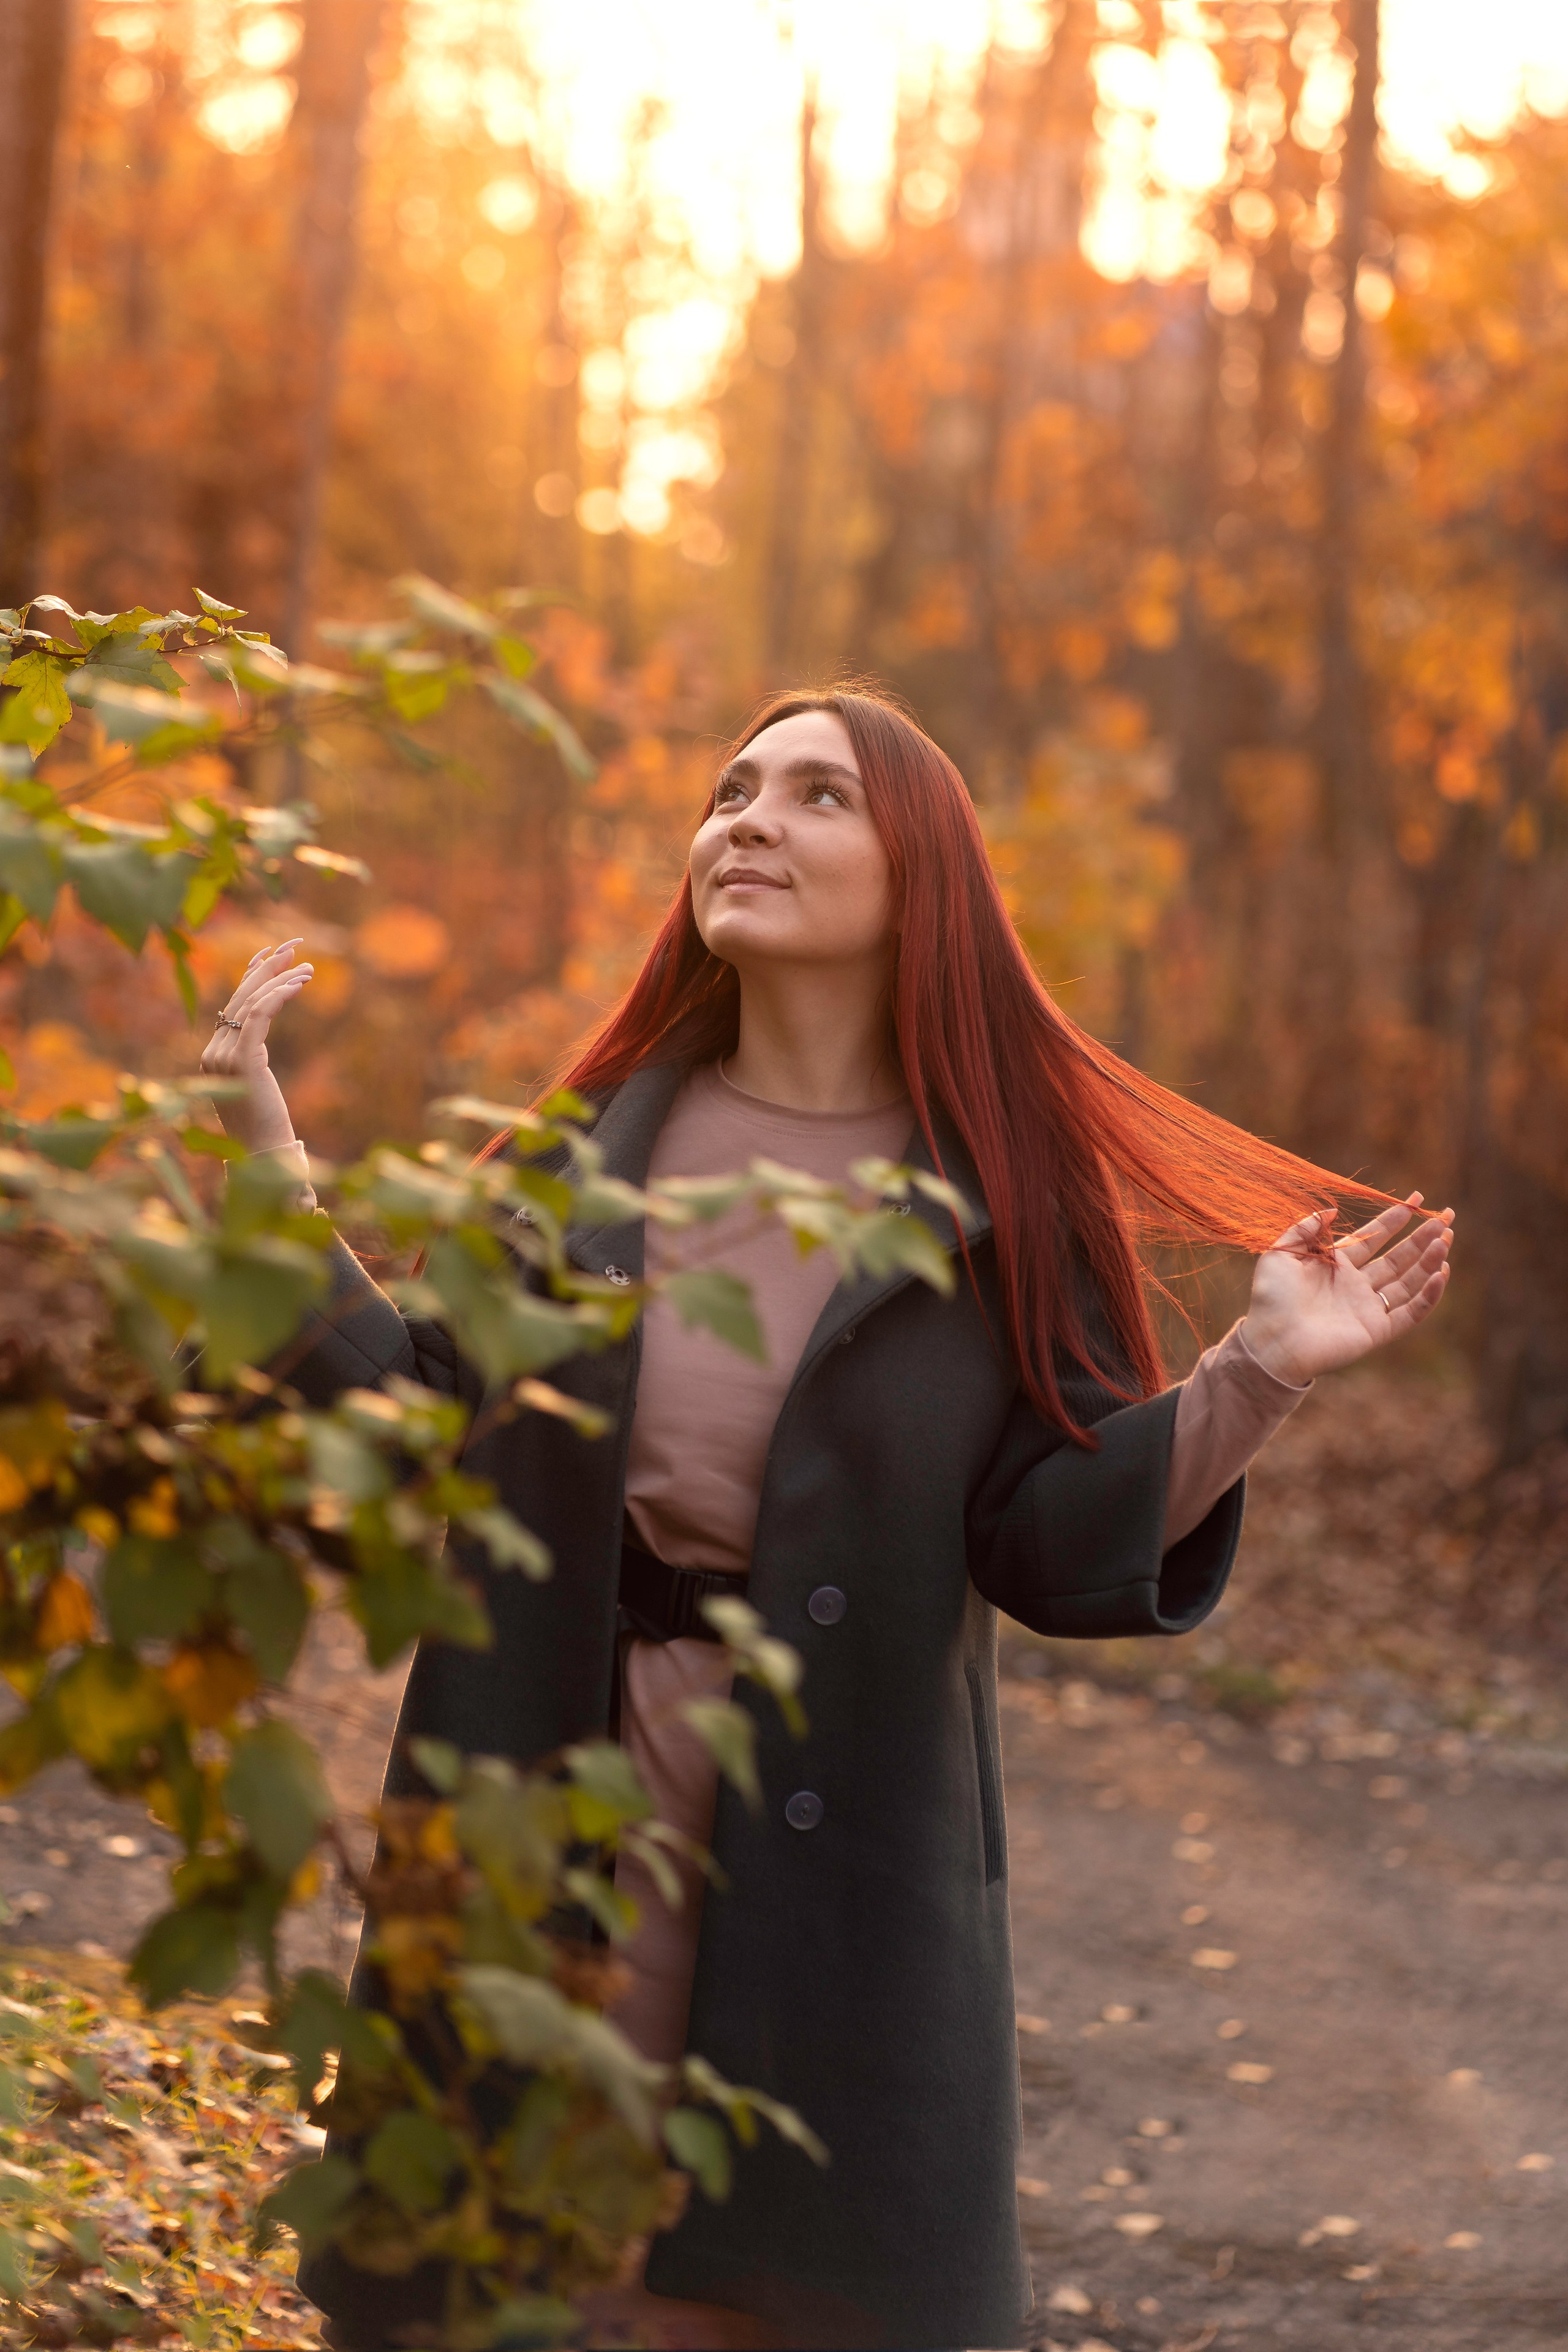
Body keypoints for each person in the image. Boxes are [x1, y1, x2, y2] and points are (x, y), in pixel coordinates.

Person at [200, 688, 1452, 2352]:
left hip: (840, 1864)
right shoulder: (591, 1153)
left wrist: (1253, 1376)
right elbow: (423, 1425)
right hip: (545, 1819)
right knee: (515, 2291)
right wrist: (260, 1166)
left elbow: (1044, 1542)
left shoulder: (1009, 1192)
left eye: (815, 795)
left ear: (916, 877)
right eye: (731, 790)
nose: (750, 819)